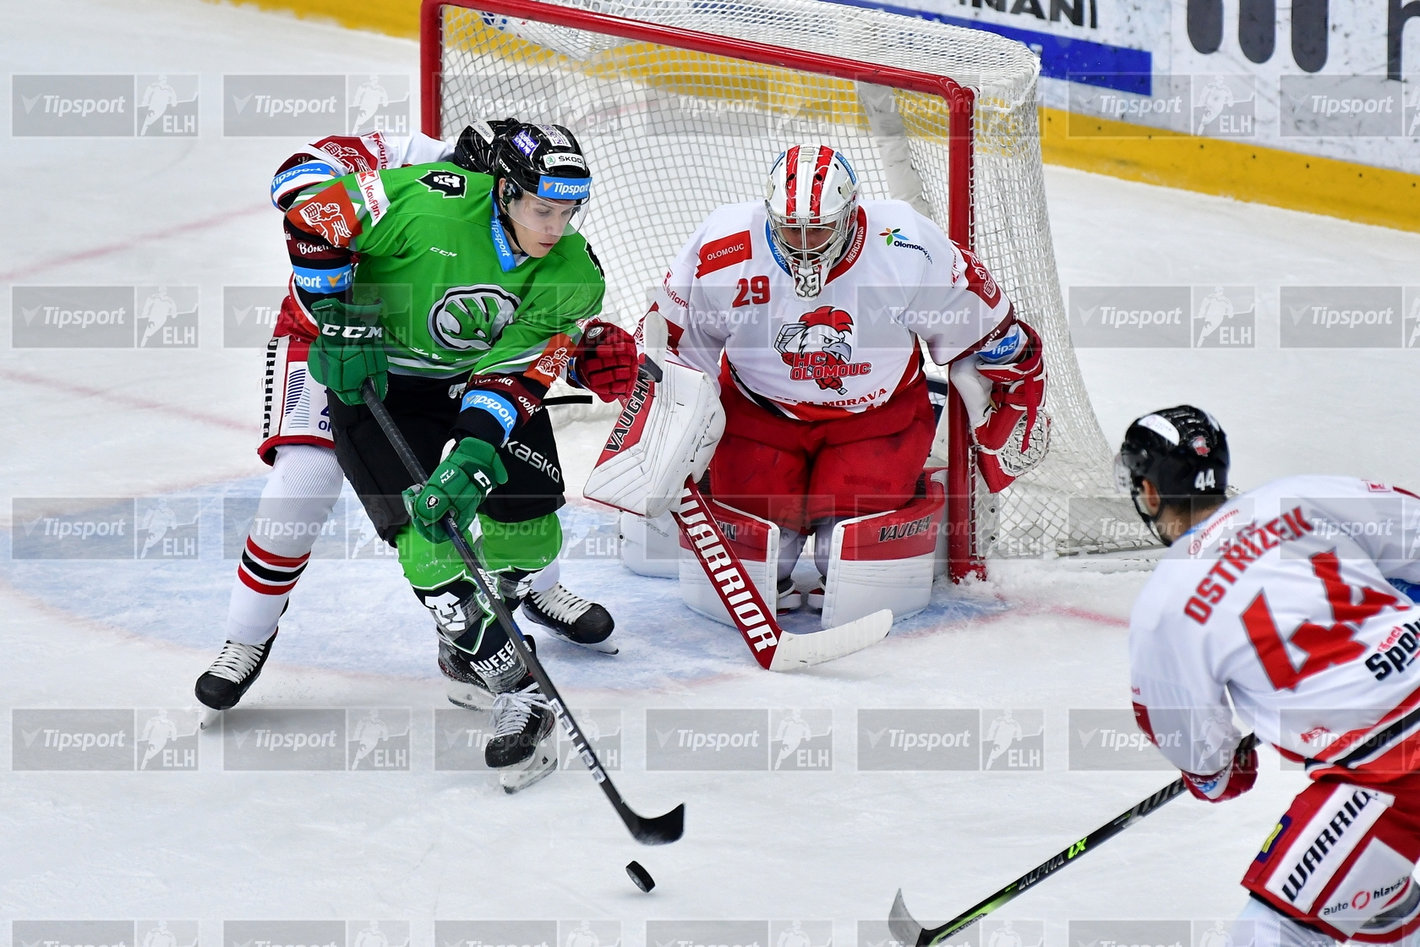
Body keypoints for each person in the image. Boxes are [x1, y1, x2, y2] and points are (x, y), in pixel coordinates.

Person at [194, 123, 622, 729]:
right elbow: (303, 193)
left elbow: (521, 363)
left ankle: (512, 593)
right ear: (495, 186)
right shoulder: (420, 185)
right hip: (341, 350)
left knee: (516, 499)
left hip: (459, 361)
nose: (554, 227)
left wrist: (485, 440)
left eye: (566, 212)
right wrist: (338, 311)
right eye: (540, 208)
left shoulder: (568, 269)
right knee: (307, 487)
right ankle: (247, 636)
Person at [629, 143, 1047, 613]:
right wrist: (665, 425)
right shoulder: (725, 245)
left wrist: (1013, 370)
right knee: (764, 557)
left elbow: (985, 327)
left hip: (875, 422)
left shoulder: (904, 243)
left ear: (849, 215)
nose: (804, 245)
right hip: (757, 416)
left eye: (820, 229)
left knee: (852, 565)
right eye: (791, 229)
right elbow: (673, 344)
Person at [1119, 405, 1420, 947]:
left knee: (1273, 931)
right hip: (1394, 750)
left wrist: (1222, 772)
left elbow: (1209, 766)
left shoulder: (1164, 606)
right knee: (1373, 893)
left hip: (1391, 766)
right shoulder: (1299, 494)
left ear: (1150, 492)